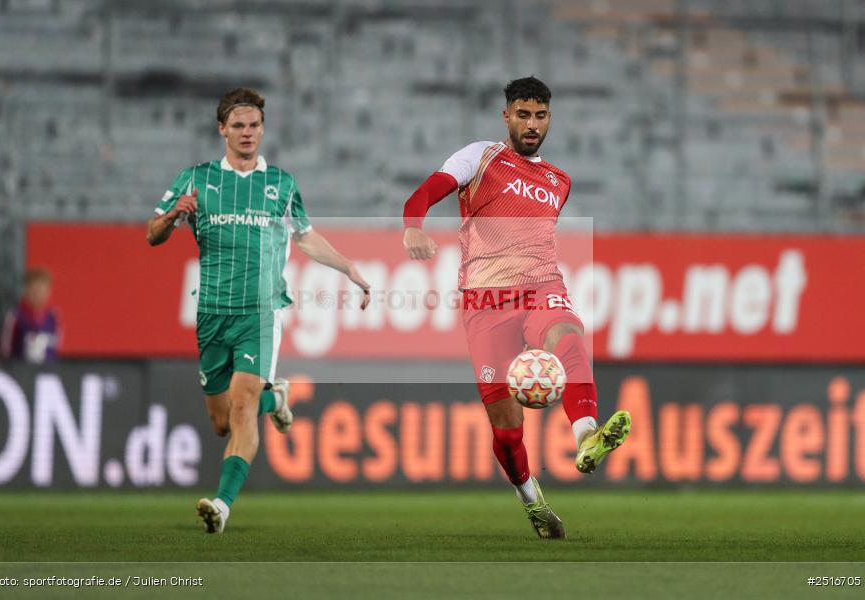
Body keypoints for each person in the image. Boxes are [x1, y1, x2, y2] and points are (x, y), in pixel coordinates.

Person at [401, 76, 631, 539]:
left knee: (567, 331)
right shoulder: (480, 157)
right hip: (485, 302)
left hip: (541, 285)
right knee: (507, 431)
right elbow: (424, 192)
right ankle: (533, 501)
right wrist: (413, 226)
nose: (531, 124)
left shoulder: (559, 181)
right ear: (506, 116)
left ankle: (586, 436)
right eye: (522, 115)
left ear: (550, 118)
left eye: (540, 116)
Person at [147, 87, 371, 534]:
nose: (247, 133)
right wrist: (174, 216)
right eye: (238, 126)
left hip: (260, 314)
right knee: (219, 422)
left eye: (254, 126)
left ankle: (222, 506)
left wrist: (348, 267)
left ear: (262, 129)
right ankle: (279, 397)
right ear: (222, 130)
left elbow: (305, 236)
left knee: (243, 408)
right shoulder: (196, 178)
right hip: (211, 313)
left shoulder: (281, 185)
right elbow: (152, 234)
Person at [0, 268, 60, 364]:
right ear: (27, 290)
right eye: (35, 289)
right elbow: (5, 349)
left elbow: (55, 346)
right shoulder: (16, 315)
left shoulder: (53, 316)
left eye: (43, 289)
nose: (39, 294)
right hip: (20, 371)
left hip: (47, 371)